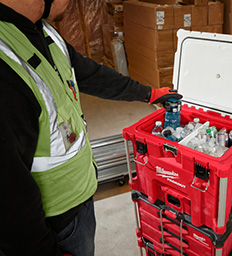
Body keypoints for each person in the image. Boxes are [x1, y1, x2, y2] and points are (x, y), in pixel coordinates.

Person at [0, 0, 182, 255]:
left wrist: (148, 94)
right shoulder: (5, 61)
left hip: (81, 195)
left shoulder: (44, 31)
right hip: (54, 223)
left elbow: (91, 75)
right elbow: (8, 193)